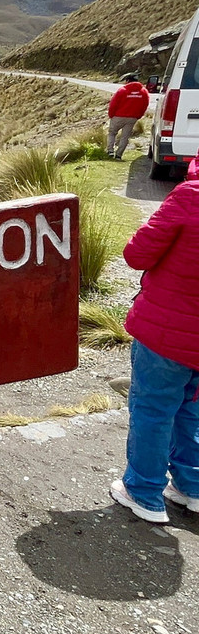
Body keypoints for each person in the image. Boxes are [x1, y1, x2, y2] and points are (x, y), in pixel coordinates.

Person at [109, 153, 199, 523]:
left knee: (153, 410)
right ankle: (191, 487)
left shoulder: (189, 196)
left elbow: (136, 254)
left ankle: (143, 493)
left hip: (166, 334)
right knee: (191, 412)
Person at [107, 75, 149, 160]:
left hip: (118, 116)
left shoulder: (122, 91)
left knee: (112, 133)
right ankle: (119, 155)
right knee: (125, 137)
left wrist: (111, 115)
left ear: (128, 81)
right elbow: (145, 105)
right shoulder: (144, 92)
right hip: (132, 118)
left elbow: (113, 104)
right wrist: (139, 116)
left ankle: (110, 151)